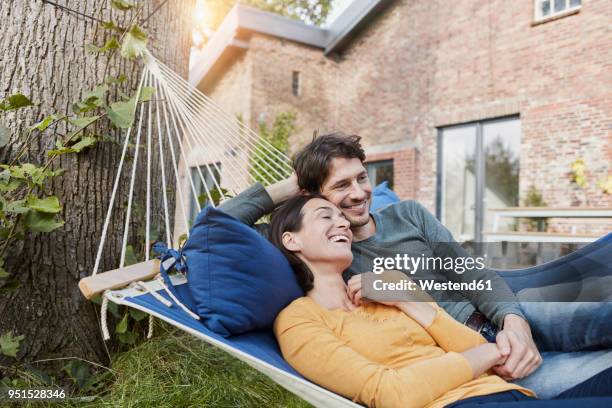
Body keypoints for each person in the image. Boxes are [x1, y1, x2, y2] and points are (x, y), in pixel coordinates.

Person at [218, 132, 612, 398]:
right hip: (475, 356)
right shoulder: (325, 251)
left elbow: (469, 272)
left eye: (361, 178)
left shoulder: (408, 215)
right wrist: (292, 187)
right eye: (341, 186)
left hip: (507, 311)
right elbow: (221, 226)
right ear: (312, 197)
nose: (358, 194)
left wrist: (515, 321)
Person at [267, 194, 612, 407]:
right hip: (476, 386)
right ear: (291, 240)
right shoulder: (300, 319)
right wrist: (495, 350)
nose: (343, 219)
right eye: (328, 214)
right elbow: (390, 393)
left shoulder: (386, 282)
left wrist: (408, 299)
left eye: (362, 177)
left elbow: (470, 278)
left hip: (497, 359)